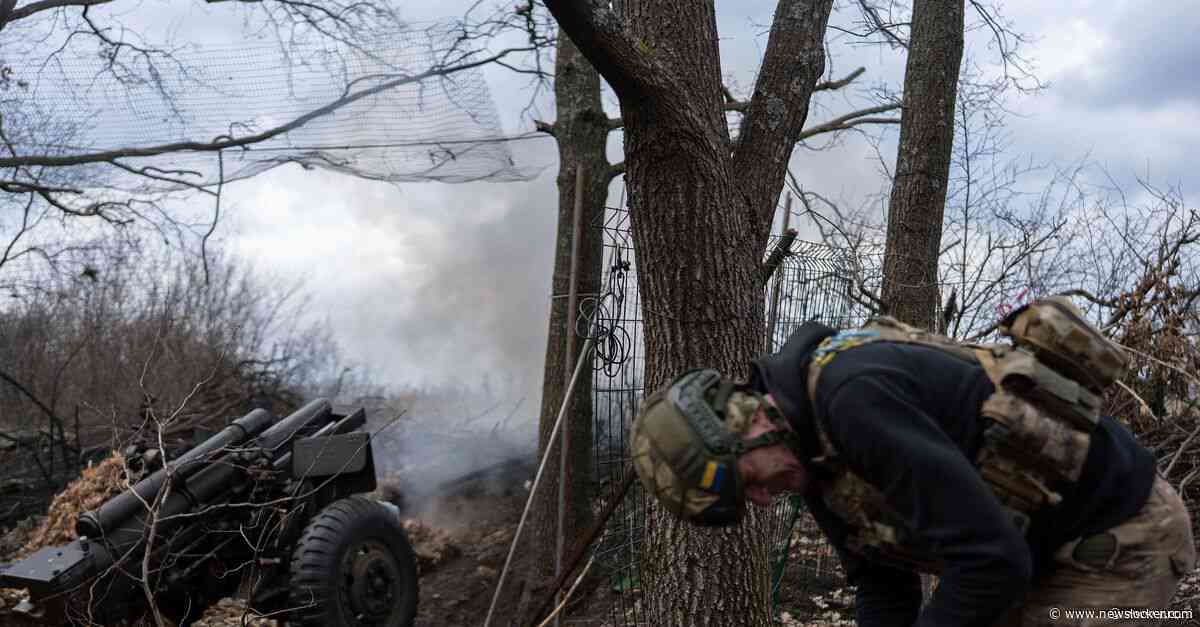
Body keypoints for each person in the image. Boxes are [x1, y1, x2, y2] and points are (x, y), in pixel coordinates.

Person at [631, 309, 1196, 627]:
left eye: (745, 482)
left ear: (747, 425)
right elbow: (882, 584)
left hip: (1121, 538)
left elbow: (991, 562)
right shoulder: (809, 453)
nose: (760, 500)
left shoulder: (852, 399)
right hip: (1032, 546)